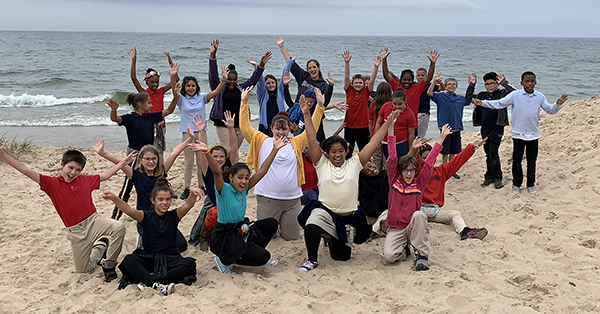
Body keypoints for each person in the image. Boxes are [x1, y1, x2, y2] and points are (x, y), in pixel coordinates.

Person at [297, 90, 401, 273]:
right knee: (312, 224)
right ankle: (311, 260)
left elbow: (374, 142)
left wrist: (387, 122)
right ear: (327, 154)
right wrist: (306, 113)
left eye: (340, 151)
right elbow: (312, 139)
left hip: (349, 219)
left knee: (342, 257)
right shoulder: (321, 164)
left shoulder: (355, 163)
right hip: (326, 213)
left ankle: (331, 238)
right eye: (333, 151)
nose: (337, 154)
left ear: (346, 151)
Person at [0, 147, 136, 281]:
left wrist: (123, 162)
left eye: (78, 170)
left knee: (118, 227)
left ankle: (109, 265)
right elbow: (25, 170)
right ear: (62, 165)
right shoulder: (51, 183)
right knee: (84, 270)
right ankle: (100, 246)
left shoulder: (84, 180)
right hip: (76, 231)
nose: (73, 172)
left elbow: (106, 175)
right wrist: (3, 155)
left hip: (93, 221)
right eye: (70, 168)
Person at [241, 85, 325, 241]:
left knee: (292, 237)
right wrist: (244, 103)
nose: (280, 132)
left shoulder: (296, 142)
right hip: (267, 198)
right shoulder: (262, 141)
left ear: (289, 129)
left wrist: (319, 107)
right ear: (271, 128)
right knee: (267, 237)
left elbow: (311, 131)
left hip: (292, 200)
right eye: (277, 129)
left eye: (284, 129)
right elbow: (245, 127)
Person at [199, 128, 287, 275]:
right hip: (224, 236)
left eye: (246, 178)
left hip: (239, 230)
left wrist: (275, 149)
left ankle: (246, 251)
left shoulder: (244, 189)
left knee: (271, 223)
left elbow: (263, 171)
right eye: (240, 177)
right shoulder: (223, 189)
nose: (244, 181)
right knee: (264, 257)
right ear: (231, 177)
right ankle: (225, 260)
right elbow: (216, 172)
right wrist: (207, 152)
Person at [93, 135, 195, 253]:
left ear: (158, 159)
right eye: (147, 159)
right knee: (155, 248)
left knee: (181, 246)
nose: (151, 162)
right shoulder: (135, 175)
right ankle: (141, 240)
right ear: (140, 160)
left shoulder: (162, 172)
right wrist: (102, 153)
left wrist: (190, 138)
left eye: (154, 158)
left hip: (163, 219)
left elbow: (175, 152)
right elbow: (119, 162)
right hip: (145, 219)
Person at [472, 71, 568, 194]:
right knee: (516, 161)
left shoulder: (539, 96)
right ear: (521, 83)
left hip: (534, 134)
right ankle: (516, 184)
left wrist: (558, 104)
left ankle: (531, 184)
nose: (529, 83)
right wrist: (483, 103)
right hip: (518, 134)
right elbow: (499, 103)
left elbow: (550, 110)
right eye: (526, 81)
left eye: (532, 81)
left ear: (535, 82)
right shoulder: (515, 95)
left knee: (531, 161)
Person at [102, 180, 202, 295]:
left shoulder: (174, 215)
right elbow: (128, 210)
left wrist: (193, 194)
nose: (165, 202)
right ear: (153, 200)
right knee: (129, 260)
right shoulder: (145, 216)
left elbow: (188, 204)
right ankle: (156, 283)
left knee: (190, 264)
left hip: (169, 259)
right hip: (150, 258)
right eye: (161, 199)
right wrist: (114, 198)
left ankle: (150, 281)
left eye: (168, 199)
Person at [108, 64, 180, 219]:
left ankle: (155, 211)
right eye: (149, 103)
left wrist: (176, 97)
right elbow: (115, 119)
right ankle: (116, 216)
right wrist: (113, 109)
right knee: (128, 187)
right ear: (141, 105)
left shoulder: (151, 117)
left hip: (149, 155)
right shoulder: (129, 118)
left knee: (157, 181)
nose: (152, 105)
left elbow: (169, 111)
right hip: (133, 156)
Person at [382, 122, 451, 271]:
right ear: (400, 172)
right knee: (389, 256)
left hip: (413, 225)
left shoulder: (419, 183)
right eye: (406, 171)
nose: (408, 174)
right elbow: (392, 156)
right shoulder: (394, 180)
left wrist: (441, 138)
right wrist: (391, 127)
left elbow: (430, 162)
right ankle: (406, 250)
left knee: (419, 214)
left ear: (415, 172)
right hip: (396, 228)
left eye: (412, 171)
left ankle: (421, 255)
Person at [411, 139, 489, 240]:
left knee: (455, 214)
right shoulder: (416, 172)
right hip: (417, 211)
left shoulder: (441, 171)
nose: (428, 160)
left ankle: (465, 231)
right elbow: (412, 158)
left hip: (433, 211)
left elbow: (456, 162)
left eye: (431, 157)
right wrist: (414, 148)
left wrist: (471, 147)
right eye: (424, 158)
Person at [276, 35, 344, 142]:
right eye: (309, 68)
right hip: (300, 115)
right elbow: (291, 63)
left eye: (314, 67)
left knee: (319, 142)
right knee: (300, 142)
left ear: (318, 68)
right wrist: (281, 46)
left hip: (315, 118)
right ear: (307, 70)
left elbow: (324, 104)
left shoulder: (323, 85)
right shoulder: (304, 77)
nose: (312, 69)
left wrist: (331, 86)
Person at [208, 39, 271, 152]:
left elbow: (253, 79)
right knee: (229, 151)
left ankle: (230, 169)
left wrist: (261, 65)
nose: (232, 82)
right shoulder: (219, 88)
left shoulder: (241, 88)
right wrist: (213, 55)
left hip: (240, 126)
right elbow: (212, 74)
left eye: (234, 80)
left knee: (235, 152)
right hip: (223, 125)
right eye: (229, 79)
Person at [187, 112, 238, 251]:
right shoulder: (207, 168)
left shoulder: (229, 166)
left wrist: (230, 128)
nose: (218, 159)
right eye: (215, 156)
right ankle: (201, 238)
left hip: (227, 202)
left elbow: (233, 147)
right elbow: (203, 149)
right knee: (198, 230)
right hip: (211, 200)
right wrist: (201, 131)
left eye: (221, 156)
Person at [177, 66, 229, 200]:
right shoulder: (181, 99)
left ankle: (202, 185)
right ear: (184, 87)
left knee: (201, 162)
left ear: (196, 87)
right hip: (187, 133)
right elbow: (173, 89)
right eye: (188, 86)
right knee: (188, 162)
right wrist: (173, 76)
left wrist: (223, 80)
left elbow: (216, 92)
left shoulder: (202, 97)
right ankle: (187, 188)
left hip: (201, 133)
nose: (190, 88)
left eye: (193, 85)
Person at [465, 72, 516, 189]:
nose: (489, 86)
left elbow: (515, 93)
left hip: (497, 128)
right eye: (487, 84)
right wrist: (472, 85)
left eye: (492, 83)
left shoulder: (502, 94)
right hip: (485, 129)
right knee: (488, 154)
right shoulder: (482, 95)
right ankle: (489, 177)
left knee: (493, 153)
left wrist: (504, 82)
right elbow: (468, 98)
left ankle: (498, 178)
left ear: (497, 84)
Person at [127, 47, 179, 155]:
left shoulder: (161, 91)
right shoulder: (144, 93)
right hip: (148, 121)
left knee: (160, 149)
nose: (155, 84)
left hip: (160, 121)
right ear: (146, 81)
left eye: (157, 82)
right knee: (148, 147)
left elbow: (176, 79)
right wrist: (134, 60)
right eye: (152, 82)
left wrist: (171, 65)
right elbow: (133, 78)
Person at [380, 47, 440, 125]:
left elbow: (429, 77)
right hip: (398, 122)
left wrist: (432, 63)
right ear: (401, 79)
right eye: (404, 79)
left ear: (413, 80)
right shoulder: (397, 86)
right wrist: (384, 60)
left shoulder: (417, 87)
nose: (407, 82)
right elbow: (386, 75)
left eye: (409, 80)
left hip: (412, 123)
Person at [342, 51, 381, 159]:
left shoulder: (366, 92)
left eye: (360, 83)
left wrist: (376, 67)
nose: (358, 85)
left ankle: (364, 173)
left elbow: (372, 79)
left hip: (363, 127)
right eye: (356, 83)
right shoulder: (348, 90)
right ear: (352, 84)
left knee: (364, 152)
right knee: (348, 153)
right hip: (349, 126)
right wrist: (346, 63)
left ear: (364, 84)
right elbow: (346, 76)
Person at [427, 72, 469, 170]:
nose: (451, 86)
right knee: (444, 151)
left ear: (456, 87)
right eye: (449, 84)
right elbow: (429, 93)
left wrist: (472, 85)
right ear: (445, 86)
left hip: (457, 127)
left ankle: (451, 169)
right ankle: (443, 167)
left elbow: (471, 99)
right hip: (444, 128)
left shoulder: (461, 98)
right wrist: (434, 82)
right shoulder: (440, 96)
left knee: (453, 150)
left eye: (454, 84)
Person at [247, 57, 294, 136]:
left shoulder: (280, 92)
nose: (271, 85)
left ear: (276, 83)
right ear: (265, 85)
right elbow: (260, 80)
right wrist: (256, 67)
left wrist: (290, 62)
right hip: (265, 126)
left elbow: (284, 74)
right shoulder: (262, 94)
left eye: (273, 82)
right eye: (268, 83)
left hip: (279, 125)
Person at [374, 89, 417, 159]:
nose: (397, 106)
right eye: (394, 104)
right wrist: (377, 140)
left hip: (401, 143)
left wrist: (411, 149)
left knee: (401, 163)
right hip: (386, 142)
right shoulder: (385, 107)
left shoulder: (409, 113)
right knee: (389, 162)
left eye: (400, 104)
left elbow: (411, 133)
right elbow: (378, 123)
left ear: (405, 101)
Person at [358, 160, 389, 237]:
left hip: (383, 213)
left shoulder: (386, 175)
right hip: (369, 215)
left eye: (370, 165)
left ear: (373, 162)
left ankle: (372, 231)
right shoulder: (363, 183)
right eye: (367, 171)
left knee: (390, 213)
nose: (371, 169)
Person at [368, 82, 393, 170]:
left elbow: (370, 122)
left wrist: (372, 135)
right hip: (388, 135)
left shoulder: (373, 105)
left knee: (377, 160)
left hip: (376, 133)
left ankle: (375, 179)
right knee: (387, 160)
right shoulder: (391, 105)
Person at [416, 67, 445, 138]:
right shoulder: (414, 85)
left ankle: (420, 147)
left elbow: (442, 88)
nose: (420, 77)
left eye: (422, 75)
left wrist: (440, 83)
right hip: (413, 112)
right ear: (416, 77)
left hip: (423, 112)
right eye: (418, 75)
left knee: (420, 134)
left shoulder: (429, 85)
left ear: (426, 76)